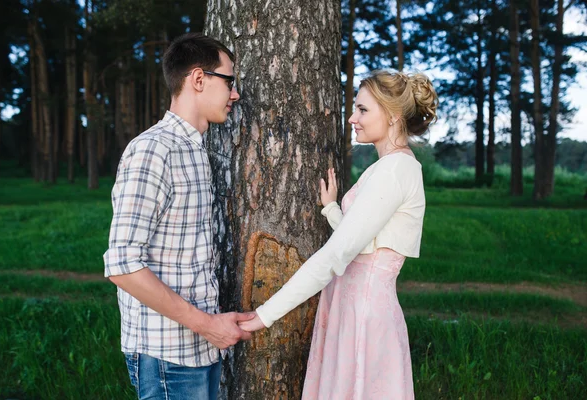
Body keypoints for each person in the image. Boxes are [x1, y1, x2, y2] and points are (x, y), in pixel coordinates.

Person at [239, 70, 438, 399]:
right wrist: (332, 209)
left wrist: (264, 315)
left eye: (362, 110)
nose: (351, 119)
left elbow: (337, 255)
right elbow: (362, 241)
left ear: (393, 116)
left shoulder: (395, 170)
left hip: (363, 316)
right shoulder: (388, 167)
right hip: (351, 308)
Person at [104, 33, 254, 400]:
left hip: (199, 349)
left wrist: (211, 331)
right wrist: (208, 327)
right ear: (199, 79)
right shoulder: (154, 150)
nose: (235, 94)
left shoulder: (194, 149)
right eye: (229, 81)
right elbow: (122, 265)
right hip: (166, 355)